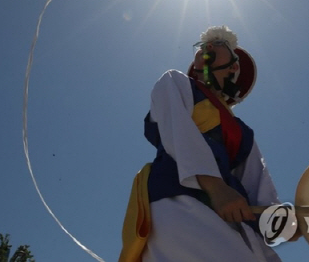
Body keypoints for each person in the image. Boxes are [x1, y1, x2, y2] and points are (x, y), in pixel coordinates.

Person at [119, 25, 287, 262]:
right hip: (180, 201)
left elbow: (257, 184)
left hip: (236, 218)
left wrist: (280, 221)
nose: (207, 47)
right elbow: (178, 133)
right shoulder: (176, 83)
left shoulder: (243, 132)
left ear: (234, 66)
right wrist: (216, 188)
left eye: (218, 45)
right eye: (203, 47)